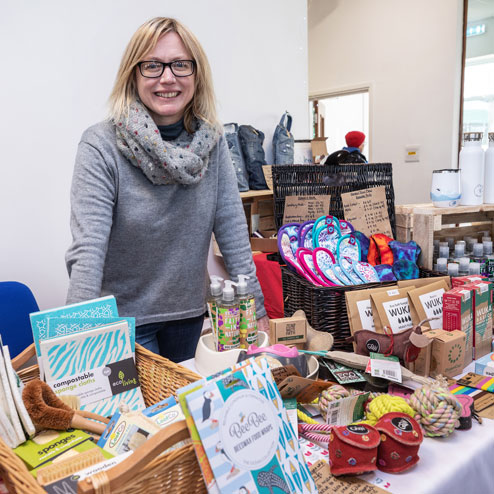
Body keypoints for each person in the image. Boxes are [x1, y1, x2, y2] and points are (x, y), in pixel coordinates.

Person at [65, 17, 268, 362]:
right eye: (152, 66)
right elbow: (88, 249)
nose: (168, 77)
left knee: (181, 411)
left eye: (180, 64)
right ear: (133, 74)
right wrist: (76, 340)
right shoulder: (101, 144)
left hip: (189, 316)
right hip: (121, 325)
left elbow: (232, 229)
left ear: (196, 74)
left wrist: (258, 307)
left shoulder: (213, 142)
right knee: (133, 415)